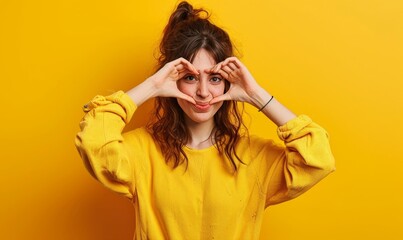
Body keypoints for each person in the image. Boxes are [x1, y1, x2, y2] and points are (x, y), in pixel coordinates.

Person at [75, 1, 335, 239]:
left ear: (228, 83)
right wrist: (152, 86)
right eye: (190, 77)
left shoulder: (254, 157)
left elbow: (318, 159)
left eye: (214, 78)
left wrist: (256, 95)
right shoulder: (143, 151)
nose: (203, 92)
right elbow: (94, 141)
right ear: (173, 79)